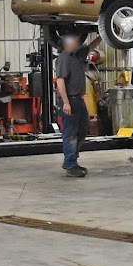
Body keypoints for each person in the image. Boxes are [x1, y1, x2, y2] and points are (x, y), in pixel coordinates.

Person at [53, 31, 90, 179]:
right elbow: (60, 81)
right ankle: (70, 165)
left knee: (82, 131)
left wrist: (103, 33)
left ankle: (71, 160)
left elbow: (91, 46)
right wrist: (66, 102)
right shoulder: (63, 58)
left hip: (79, 100)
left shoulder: (77, 56)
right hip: (70, 101)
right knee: (70, 134)